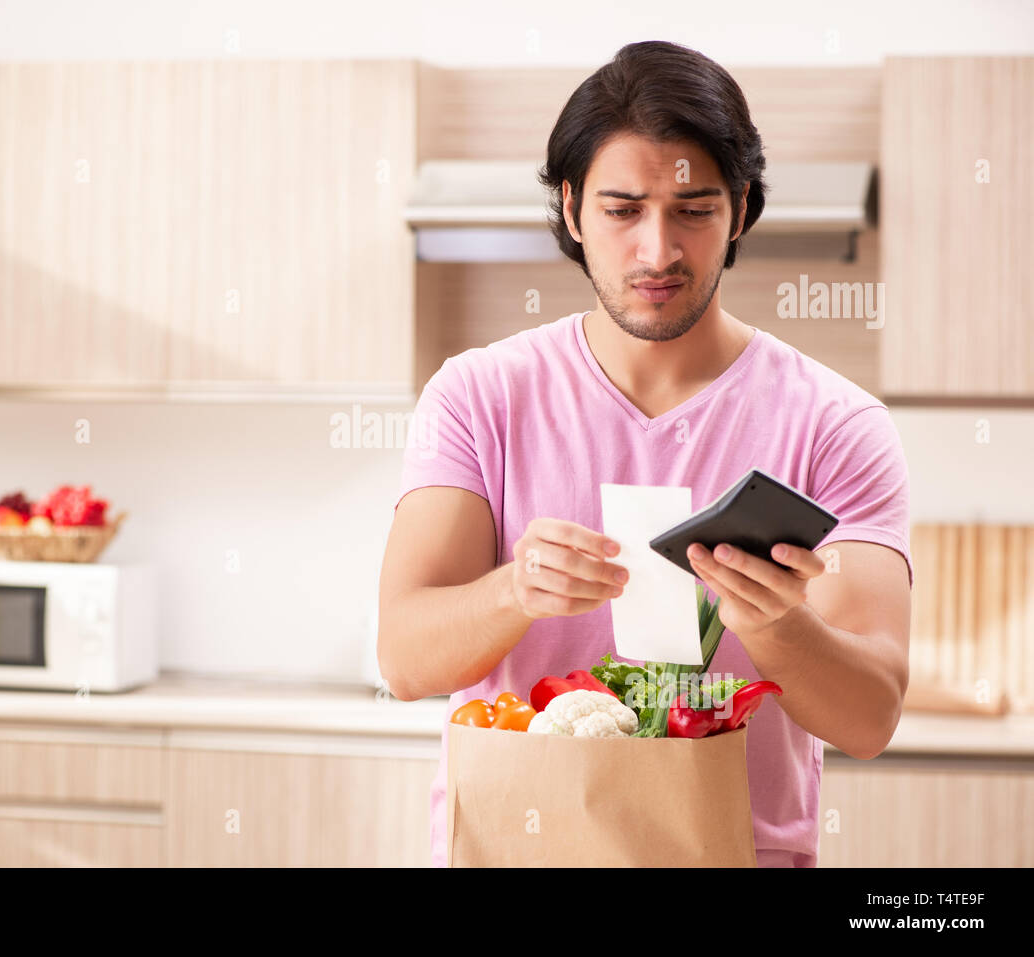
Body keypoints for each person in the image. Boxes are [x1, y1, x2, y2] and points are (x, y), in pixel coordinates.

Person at [377, 40, 913, 868]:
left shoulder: (837, 424)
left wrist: (780, 625)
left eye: (693, 209)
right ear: (570, 208)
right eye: (623, 209)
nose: (656, 251)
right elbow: (405, 659)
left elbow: (869, 718)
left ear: (740, 209)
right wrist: (515, 590)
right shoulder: (477, 396)